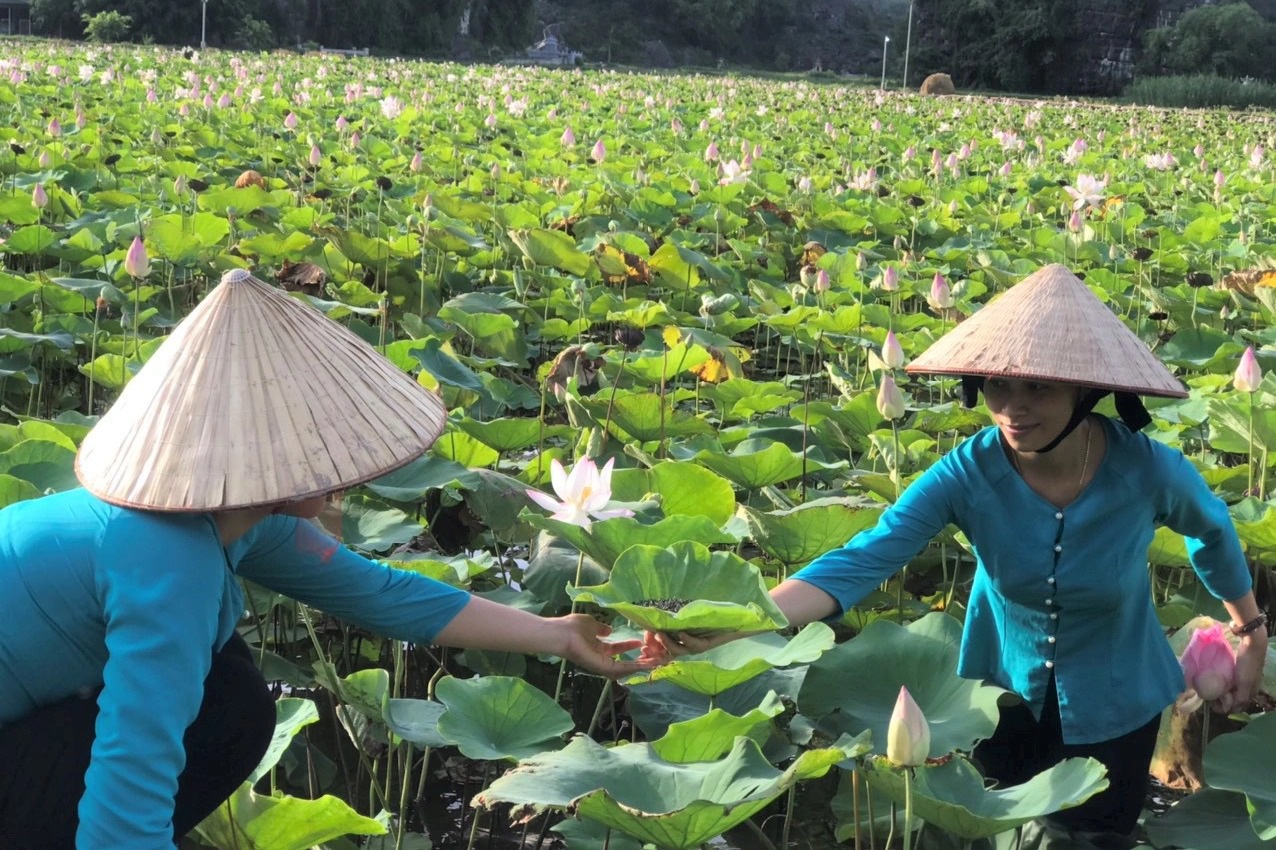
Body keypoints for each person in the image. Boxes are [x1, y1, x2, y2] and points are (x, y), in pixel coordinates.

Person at [0, 269, 655, 850]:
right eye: (319, 433)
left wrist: (558, 637)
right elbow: (120, 826)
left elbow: (385, 595)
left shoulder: (232, 518)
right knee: (225, 706)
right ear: (260, 448)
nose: (342, 453)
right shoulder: (170, 565)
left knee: (226, 692)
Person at [653, 264, 1267, 845]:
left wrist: (1249, 628)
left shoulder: (1148, 469)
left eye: (1036, 388)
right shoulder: (966, 474)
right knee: (1000, 827)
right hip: (1000, 692)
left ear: (1086, 392)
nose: (1011, 407)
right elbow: (866, 555)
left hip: (1120, 695)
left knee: (1096, 836)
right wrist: (748, 620)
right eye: (998, 384)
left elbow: (1212, 532)